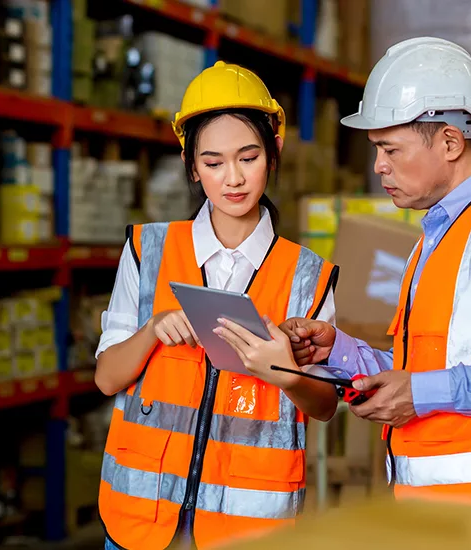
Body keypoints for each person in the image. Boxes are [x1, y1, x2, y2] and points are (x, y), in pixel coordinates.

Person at [226, 37, 471, 506]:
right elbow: (430, 371)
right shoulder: (438, 236)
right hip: (446, 514)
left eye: (390, 149)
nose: (378, 166)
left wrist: (420, 393)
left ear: (449, 141)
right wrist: (341, 352)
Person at [94, 61, 341, 550]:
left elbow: (325, 405)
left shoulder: (308, 276)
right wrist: (152, 330)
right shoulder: (148, 252)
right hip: (141, 521)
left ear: (273, 154)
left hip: (248, 527)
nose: (233, 178)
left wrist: (284, 371)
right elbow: (106, 378)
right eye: (213, 162)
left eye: (248, 157)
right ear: (191, 166)